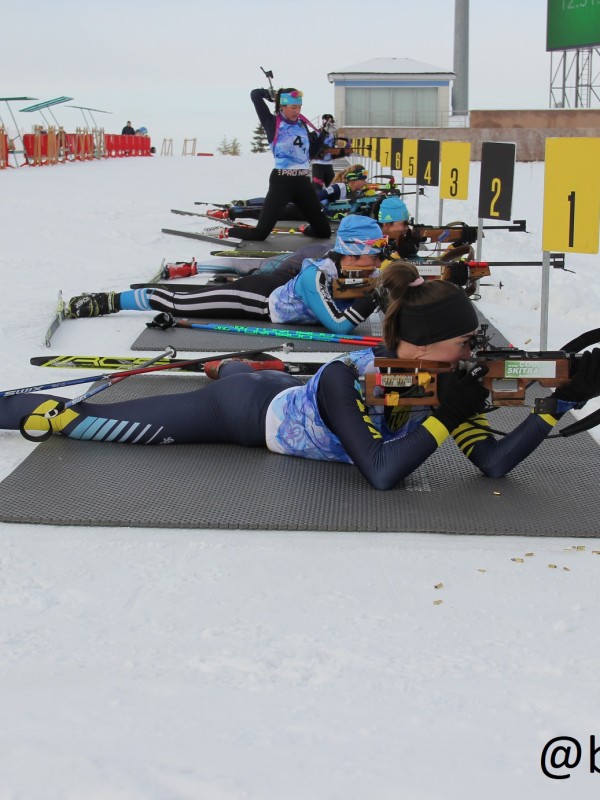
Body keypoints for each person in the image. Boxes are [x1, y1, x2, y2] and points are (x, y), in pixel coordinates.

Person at [5, 260, 599, 490]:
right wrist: (448, 414)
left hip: (285, 389)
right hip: (239, 414)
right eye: (465, 340)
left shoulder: (432, 383)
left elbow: (492, 463)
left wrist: (560, 400)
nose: (476, 350)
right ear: (419, 345)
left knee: (252, 371)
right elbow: (383, 471)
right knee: (83, 422)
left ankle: (229, 364)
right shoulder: (350, 377)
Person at [66, 216, 384, 335]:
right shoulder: (315, 277)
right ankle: (108, 300)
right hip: (256, 299)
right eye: (373, 254)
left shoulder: (353, 268)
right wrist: (375, 298)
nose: (376, 262)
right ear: (352, 251)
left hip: (276, 288)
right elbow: (339, 326)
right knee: (177, 303)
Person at [223, 87, 331, 241]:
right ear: (282, 106)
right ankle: (226, 232)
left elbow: (309, 154)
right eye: (293, 107)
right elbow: (254, 95)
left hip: (303, 184)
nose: (297, 111)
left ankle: (305, 229)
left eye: (299, 107)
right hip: (282, 183)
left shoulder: (302, 125)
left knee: (324, 232)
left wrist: (323, 135)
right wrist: (269, 94)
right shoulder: (272, 122)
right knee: (260, 233)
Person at [310, 114, 352, 188]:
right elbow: (314, 149)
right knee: (317, 188)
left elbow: (332, 153)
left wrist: (344, 152)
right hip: (318, 165)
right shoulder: (316, 133)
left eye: (331, 122)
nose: (330, 124)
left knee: (332, 188)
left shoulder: (332, 135)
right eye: (328, 122)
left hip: (329, 165)